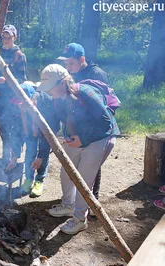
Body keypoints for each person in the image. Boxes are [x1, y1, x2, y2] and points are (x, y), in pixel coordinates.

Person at [38, 64, 119, 234]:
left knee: (84, 181)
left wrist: (83, 139)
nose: (48, 91)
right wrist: (41, 154)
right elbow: (50, 127)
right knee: (66, 171)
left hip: (99, 138)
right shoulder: (57, 100)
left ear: (61, 83)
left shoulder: (86, 93)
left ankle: (80, 219)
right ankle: (68, 205)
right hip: (76, 139)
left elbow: (106, 123)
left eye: (50, 87)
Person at [57, 42, 110, 211]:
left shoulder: (97, 74)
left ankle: (92, 201)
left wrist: (87, 134)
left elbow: (103, 111)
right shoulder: (70, 75)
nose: (68, 67)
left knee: (91, 168)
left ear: (82, 59)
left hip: (94, 132)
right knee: (73, 167)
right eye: (66, 63)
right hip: (76, 129)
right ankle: (71, 202)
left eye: (71, 63)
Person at [12, 82, 60, 197]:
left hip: (47, 129)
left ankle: (39, 181)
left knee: (42, 158)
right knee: (30, 153)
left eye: (22, 103)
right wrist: (15, 155)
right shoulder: (21, 108)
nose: (19, 106)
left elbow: (49, 133)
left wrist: (41, 156)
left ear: (32, 98)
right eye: (18, 103)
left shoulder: (46, 103)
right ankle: (28, 179)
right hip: (30, 130)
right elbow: (17, 133)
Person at [0, 25, 27, 171]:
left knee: (14, 129)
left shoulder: (19, 55)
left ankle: (14, 157)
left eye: (9, 37)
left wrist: (6, 81)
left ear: (15, 38)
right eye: (4, 38)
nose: (6, 40)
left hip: (12, 100)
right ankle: (6, 156)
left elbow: (23, 80)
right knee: (2, 128)